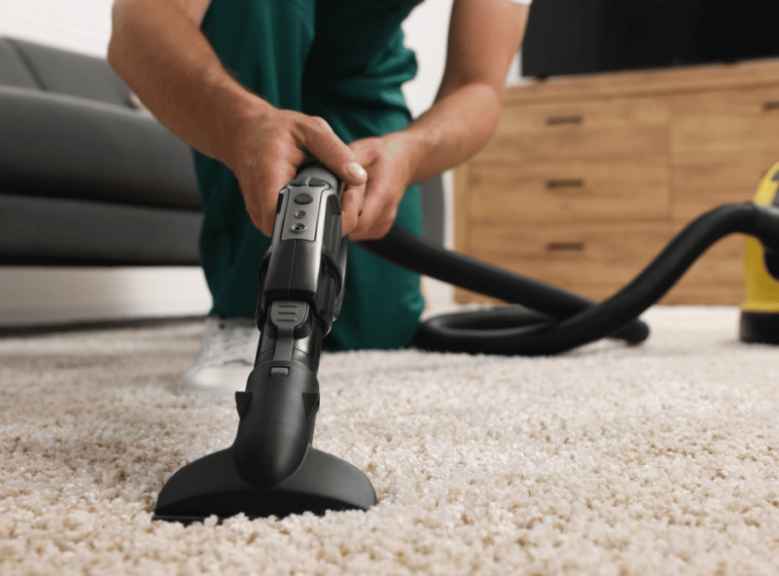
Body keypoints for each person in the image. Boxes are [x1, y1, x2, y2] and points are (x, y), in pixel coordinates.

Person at [108, 0, 530, 393]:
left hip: (360, 73)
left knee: (380, 329)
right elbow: (137, 24)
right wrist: (242, 129)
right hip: (252, 48)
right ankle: (242, 313)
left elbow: (478, 86)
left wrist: (410, 151)